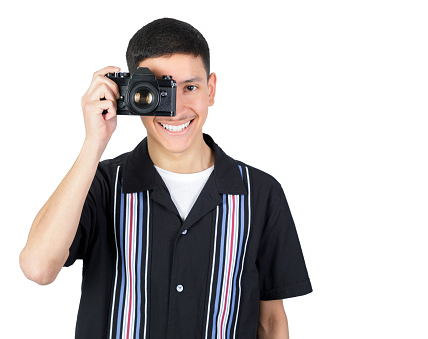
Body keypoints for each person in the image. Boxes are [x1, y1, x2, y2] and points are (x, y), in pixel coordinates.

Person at [20, 18, 312, 339]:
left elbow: (271, 322)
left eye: (190, 87)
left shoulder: (260, 193)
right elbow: (38, 268)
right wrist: (95, 141)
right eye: (159, 92)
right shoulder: (102, 184)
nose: (176, 110)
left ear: (211, 89)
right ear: (131, 94)